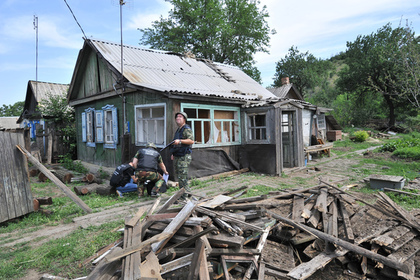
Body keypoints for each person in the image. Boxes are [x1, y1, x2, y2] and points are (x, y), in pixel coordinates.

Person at [170, 112, 194, 199]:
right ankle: (188, 193)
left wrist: (180, 141)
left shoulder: (186, 129)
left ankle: (183, 197)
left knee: (182, 177)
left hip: (184, 156)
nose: (178, 118)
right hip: (177, 155)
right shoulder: (178, 130)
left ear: (184, 119)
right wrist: (173, 153)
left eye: (180, 117)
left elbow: (191, 141)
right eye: (177, 117)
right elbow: (175, 144)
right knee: (180, 176)